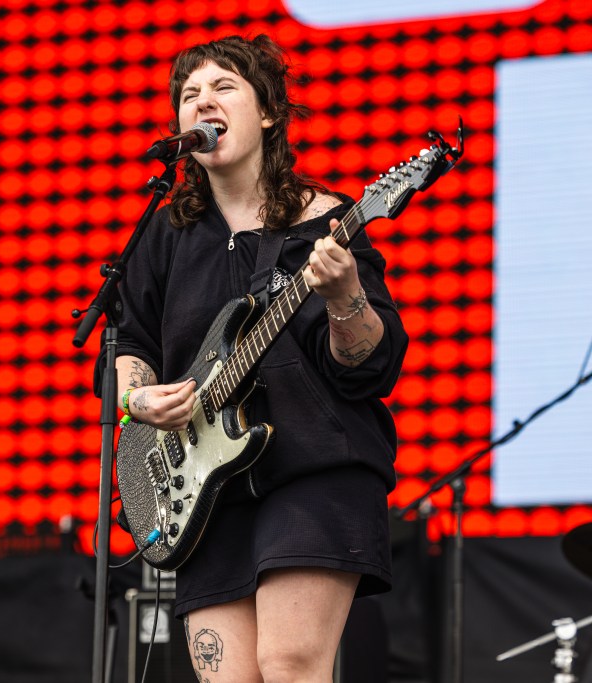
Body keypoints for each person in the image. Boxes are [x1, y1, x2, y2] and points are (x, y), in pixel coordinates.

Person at [110, 35, 409, 682]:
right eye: (189, 94)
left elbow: (369, 366)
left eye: (223, 87)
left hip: (313, 468)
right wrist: (138, 399)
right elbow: (131, 342)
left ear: (269, 112)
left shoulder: (327, 221)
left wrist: (345, 296)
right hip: (203, 488)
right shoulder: (165, 233)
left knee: (288, 663)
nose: (202, 102)